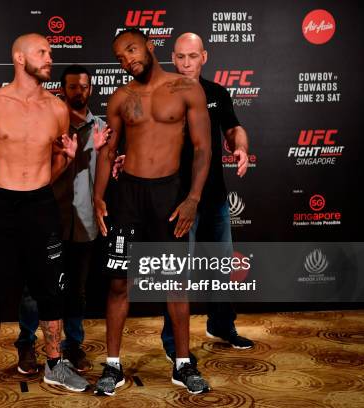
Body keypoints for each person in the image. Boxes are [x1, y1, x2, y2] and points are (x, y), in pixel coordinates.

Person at [0, 34, 89, 402]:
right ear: (19, 57)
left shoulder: (57, 109)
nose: (49, 58)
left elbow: (56, 161)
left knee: (50, 288)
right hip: (1, 205)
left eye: (50, 52)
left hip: (41, 205)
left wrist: (67, 160)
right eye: (42, 52)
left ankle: (56, 365)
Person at [93, 29, 212, 395]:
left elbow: (202, 147)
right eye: (119, 57)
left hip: (168, 195)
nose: (127, 59)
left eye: (131, 49)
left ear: (150, 45)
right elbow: (108, 152)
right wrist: (99, 197)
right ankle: (113, 366)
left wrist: (192, 198)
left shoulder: (186, 89)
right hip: (127, 197)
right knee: (117, 282)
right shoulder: (120, 98)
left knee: (174, 282)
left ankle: (182, 363)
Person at [159, 33, 254, 362]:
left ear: (204, 57)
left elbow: (233, 128)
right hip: (177, 199)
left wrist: (240, 146)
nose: (186, 63)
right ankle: (173, 343)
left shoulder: (217, 93)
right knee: (177, 274)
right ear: (173, 58)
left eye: (192, 56)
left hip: (214, 196)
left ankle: (221, 325)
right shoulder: (162, 94)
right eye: (181, 57)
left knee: (220, 266)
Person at [15, 65, 110, 374]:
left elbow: (103, 176)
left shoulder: (101, 128)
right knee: (35, 288)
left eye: (84, 86)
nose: (78, 92)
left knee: (76, 290)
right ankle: (27, 344)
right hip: (47, 220)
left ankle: (73, 346)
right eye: (72, 87)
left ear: (91, 89)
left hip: (84, 222)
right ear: (62, 89)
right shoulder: (47, 125)